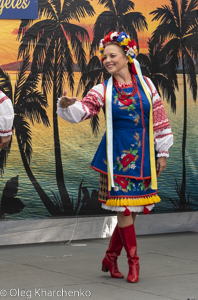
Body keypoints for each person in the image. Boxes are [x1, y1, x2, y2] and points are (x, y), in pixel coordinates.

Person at [57, 31, 173, 283]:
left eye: (113, 55)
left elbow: (159, 118)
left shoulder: (147, 84)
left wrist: (162, 152)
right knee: (125, 209)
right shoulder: (103, 89)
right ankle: (134, 264)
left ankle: (110, 257)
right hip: (115, 157)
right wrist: (67, 105)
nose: (107, 60)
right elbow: (86, 109)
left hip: (143, 155)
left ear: (127, 56)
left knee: (133, 211)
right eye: (105, 57)